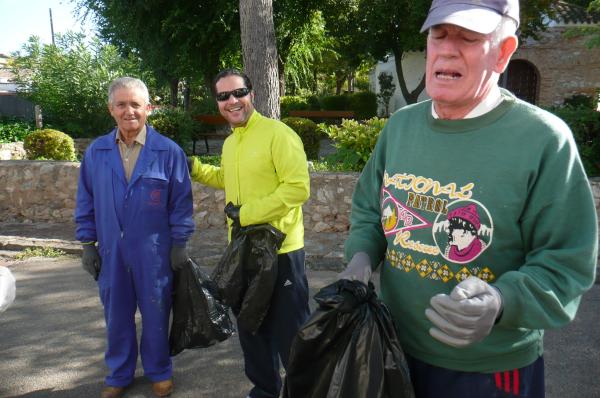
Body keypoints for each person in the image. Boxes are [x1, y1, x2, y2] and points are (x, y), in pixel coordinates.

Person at [339, 0, 598, 397]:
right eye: (439, 35)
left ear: (503, 52)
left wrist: (501, 300)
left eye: (469, 37)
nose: (447, 48)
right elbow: (370, 211)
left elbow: (567, 260)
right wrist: (360, 256)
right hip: (391, 350)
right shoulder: (401, 127)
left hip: (487, 372)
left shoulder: (544, 139)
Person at [187, 68, 311, 398]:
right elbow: (228, 179)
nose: (233, 101)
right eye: (224, 96)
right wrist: (195, 169)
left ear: (251, 94)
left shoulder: (278, 134)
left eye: (238, 92)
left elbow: (298, 189)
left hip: (281, 251)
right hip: (243, 253)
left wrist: (247, 214)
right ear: (217, 102)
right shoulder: (231, 143)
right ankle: (265, 390)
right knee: (251, 327)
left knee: (292, 333)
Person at [75, 77, 194, 398]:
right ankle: (119, 374)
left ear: (148, 109)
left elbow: (181, 204)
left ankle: (159, 371)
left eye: (136, 104)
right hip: (112, 251)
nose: (129, 111)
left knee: (156, 313)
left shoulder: (168, 152)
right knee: (116, 315)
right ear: (111, 109)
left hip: (155, 252)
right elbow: (85, 201)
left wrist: (180, 244)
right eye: (122, 104)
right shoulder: (96, 152)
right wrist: (88, 245)